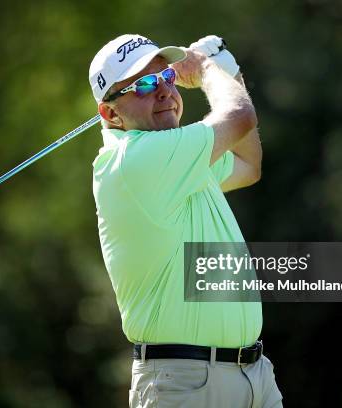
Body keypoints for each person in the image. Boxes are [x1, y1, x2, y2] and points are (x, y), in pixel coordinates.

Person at [89, 34, 283, 408]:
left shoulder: (178, 157)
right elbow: (240, 117)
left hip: (254, 375)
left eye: (167, 78)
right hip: (185, 383)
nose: (162, 91)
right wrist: (209, 69)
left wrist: (232, 75)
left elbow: (248, 164)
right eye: (143, 85)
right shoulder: (135, 160)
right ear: (110, 113)